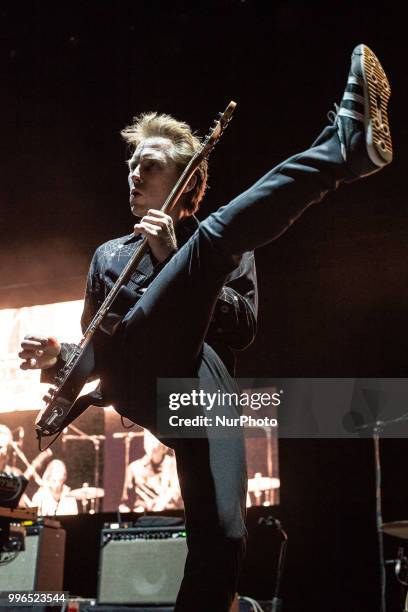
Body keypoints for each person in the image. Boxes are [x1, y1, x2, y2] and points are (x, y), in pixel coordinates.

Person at [19, 45, 392, 611]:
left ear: (185, 179)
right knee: (212, 241)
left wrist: (176, 259)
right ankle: (340, 149)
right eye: (130, 165)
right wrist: (57, 353)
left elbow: (241, 330)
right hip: (142, 375)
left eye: (149, 164)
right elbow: (99, 351)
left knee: (225, 534)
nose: (133, 173)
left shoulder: (211, 248)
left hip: (203, 386)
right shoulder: (111, 256)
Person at [119, 429, 182, 512]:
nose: (150, 442)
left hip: (170, 517)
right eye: (148, 437)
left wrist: (162, 502)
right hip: (143, 518)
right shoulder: (134, 468)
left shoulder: (175, 465)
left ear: (165, 446)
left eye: (154, 438)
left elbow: (177, 494)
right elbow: (126, 503)